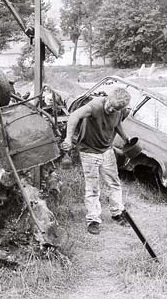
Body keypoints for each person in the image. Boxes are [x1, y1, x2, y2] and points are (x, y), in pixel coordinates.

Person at [62, 87, 131, 235]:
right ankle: (93, 219)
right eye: (110, 106)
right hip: (89, 151)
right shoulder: (95, 106)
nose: (111, 109)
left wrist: (125, 137)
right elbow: (74, 116)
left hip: (107, 150)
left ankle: (117, 212)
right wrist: (68, 138)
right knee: (93, 187)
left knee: (114, 183)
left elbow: (117, 123)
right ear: (107, 98)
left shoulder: (119, 111)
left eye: (116, 109)